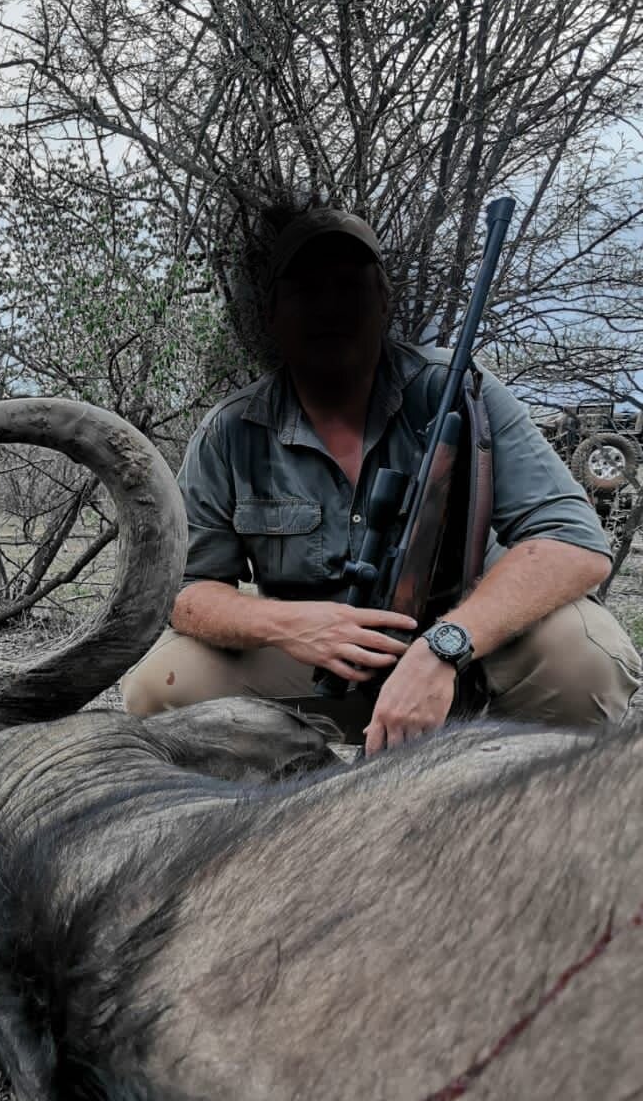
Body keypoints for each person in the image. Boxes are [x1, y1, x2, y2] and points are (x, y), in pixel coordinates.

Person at [120, 206, 640, 753]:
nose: (330, 307)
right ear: (272, 313)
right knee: (161, 688)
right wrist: (288, 625)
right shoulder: (230, 431)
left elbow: (573, 542)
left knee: (587, 658)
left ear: (384, 303)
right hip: (313, 662)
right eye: (306, 290)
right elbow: (187, 590)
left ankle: (516, 808)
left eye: (350, 287)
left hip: (468, 650)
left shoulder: (464, 393)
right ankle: (300, 807)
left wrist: (446, 644)